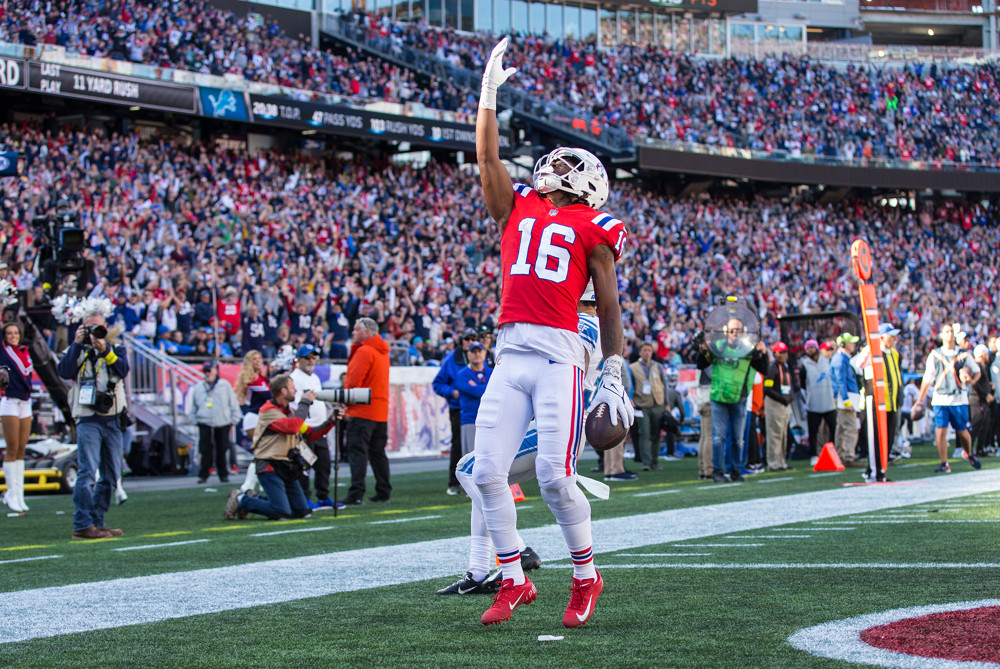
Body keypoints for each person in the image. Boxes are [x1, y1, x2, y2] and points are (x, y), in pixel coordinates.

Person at [474, 36, 632, 629]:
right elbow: (489, 163)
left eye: (573, 165)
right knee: (486, 471)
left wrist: (613, 367)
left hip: (560, 354)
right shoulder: (516, 207)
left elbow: (610, 306)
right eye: (555, 162)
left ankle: (586, 576)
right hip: (510, 350)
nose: (558, 168)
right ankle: (514, 581)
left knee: (553, 475)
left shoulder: (595, 226)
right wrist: (487, 97)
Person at [56, 311, 130, 540]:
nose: (95, 333)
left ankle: (97, 522)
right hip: (88, 418)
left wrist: (103, 349)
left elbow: (123, 370)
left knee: (111, 474)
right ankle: (82, 524)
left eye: (98, 327)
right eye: (90, 328)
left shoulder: (115, 348)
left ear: (106, 327)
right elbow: (64, 371)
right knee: (87, 472)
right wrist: (78, 343)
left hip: (114, 418)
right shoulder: (76, 350)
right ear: (82, 328)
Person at [224, 374, 336, 520]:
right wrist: (305, 402)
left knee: (303, 512)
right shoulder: (268, 410)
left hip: (286, 466)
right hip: (269, 464)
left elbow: (310, 434)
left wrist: (331, 420)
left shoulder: (289, 411)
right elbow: (292, 427)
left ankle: (253, 497)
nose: (296, 391)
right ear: (283, 391)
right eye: (292, 387)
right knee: (281, 513)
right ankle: (241, 499)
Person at [696, 318, 769, 483]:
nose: (735, 333)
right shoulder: (718, 346)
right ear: (726, 331)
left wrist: (763, 353)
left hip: (739, 397)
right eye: (732, 330)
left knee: (738, 437)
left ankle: (735, 470)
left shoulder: (747, 348)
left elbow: (763, 369)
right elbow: (700, 364)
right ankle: (718, 471)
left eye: (738, 330)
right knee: (718, 437)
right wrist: (703, 351)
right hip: (719, 397)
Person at [914, 323, 982, 473]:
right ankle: (944, 463)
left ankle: (968, 453)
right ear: (941, 335)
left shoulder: (963, 354)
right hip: (940, 398)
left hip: (959, 398)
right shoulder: (935, 354)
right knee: (941, 431)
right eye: (947, 331)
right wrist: (920, 399)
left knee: (963, 431)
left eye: (951, 331)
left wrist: (970, 380)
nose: (950, 334)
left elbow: (977, 371)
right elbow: (927, 378)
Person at [339, 317, 391, 506]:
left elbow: (353, 383)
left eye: (356, 329)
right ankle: (384, 491)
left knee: (357, 452)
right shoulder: (382, 352)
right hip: (380, 410)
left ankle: (356, 492)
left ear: (367, 332)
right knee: (378, 452)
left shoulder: (364, 351)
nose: (353, 332)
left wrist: (346, 405)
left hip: (362, 410)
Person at [289, 344, 337, 509]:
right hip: (306, 428)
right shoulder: (295, 378)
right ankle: (305, 498)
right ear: (299, 360)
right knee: (304, 466)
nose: (311, 361)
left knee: (323, 465)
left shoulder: (314, 377)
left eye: (313, 357)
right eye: (307, 357)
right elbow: (296, 405)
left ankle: (323, 496)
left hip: (319, 427)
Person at [432, 328, 474, 495]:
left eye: (473, 339)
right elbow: (438, 383)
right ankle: (454, 482)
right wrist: (452, 392)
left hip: (478, 407)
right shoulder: (451, 359)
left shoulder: (482, 356)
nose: (470, 342)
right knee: (458, 444)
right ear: (461, 341)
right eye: (467, 339)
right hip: (459, 408)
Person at [187, 361, 242, 484]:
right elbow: (194, 405)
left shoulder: (224, 385)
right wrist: (194, 418)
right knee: (205, 448)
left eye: (209, 370)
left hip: (222, 421)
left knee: (222, 448)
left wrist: (234, 418)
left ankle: (223, 473)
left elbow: (232, 402)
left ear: (215, 371)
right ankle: (204, 473)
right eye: (205, 371)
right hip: (204, 421)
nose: (207, 373)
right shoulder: (199, 387)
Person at [1, 321, 32, 513]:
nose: (13, 336)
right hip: (9, 401)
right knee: (12, 448)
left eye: (15, 333)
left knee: (22, 448)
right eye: (9, 333)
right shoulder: (3, 351)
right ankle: (10, 493)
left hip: (25, 403)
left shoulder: (24, 351)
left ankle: (20, 495)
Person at [235, 350, 271, 492]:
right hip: (254, 418)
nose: (258, 360)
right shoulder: (251, 379)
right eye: (254, 359)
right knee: (261, 452)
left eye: (259, 357)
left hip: (262, 418)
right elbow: (268, 395)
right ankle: (248, 485)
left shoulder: (261, 377)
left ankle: (259, 483)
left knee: (265, 452)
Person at [799, 339, 836, 466]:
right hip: (813, 404)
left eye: (812, 347)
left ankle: (832, 452)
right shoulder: (804, 364)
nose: (810, 350)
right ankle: (814, 454)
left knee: (833, 428)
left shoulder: (827, 361)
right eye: (808, 348)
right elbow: (803, 383)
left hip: (828, 401)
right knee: (813, 431)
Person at [630, 342, 666, 471]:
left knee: (656, 435)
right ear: (640, 352)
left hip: (658, 403)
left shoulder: (658, 366)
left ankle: (654, 462)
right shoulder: (632, 368)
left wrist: (666, 404)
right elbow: (631, 386)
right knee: (644, 433)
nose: (647, 353)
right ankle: (646, 462)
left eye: (649, 350)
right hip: (642, 404)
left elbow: (664, 384)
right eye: (644, 350)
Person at [831, 332, 864, 468]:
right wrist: (846, 401)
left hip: (847, 397)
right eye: (851, 342)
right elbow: (840, 382)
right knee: (850, 428)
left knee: (842, 428)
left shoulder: (843, 358)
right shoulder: (840, 359)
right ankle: (848, 456)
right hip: (845, 398)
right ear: (843, 344)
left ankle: (842, 455)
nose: (853, 345)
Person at [456, 341, 492, 457]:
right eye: (473, 352)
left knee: (491, 457)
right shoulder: (462, 374)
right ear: (468, 354)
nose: (477, 354)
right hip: (470, 420)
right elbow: (476, 392)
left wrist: (477, 387)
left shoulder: (492, 372)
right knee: (471, 458)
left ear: (484, 353)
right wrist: (487, 387)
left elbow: (479, 390)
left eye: (479, 351)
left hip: (490, 420)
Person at [763, 342, 794, 472]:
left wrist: (789, 397)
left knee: (783, 435)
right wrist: (782, 398)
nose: (782, 355)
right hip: (775, 404)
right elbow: (767, 388)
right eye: (780, 352)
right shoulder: (772, 368)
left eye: (784, 352)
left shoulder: (785, 368)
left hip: (784, 404)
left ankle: (781, 461)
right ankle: (774, 462)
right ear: (774, 353)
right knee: (775, 435)